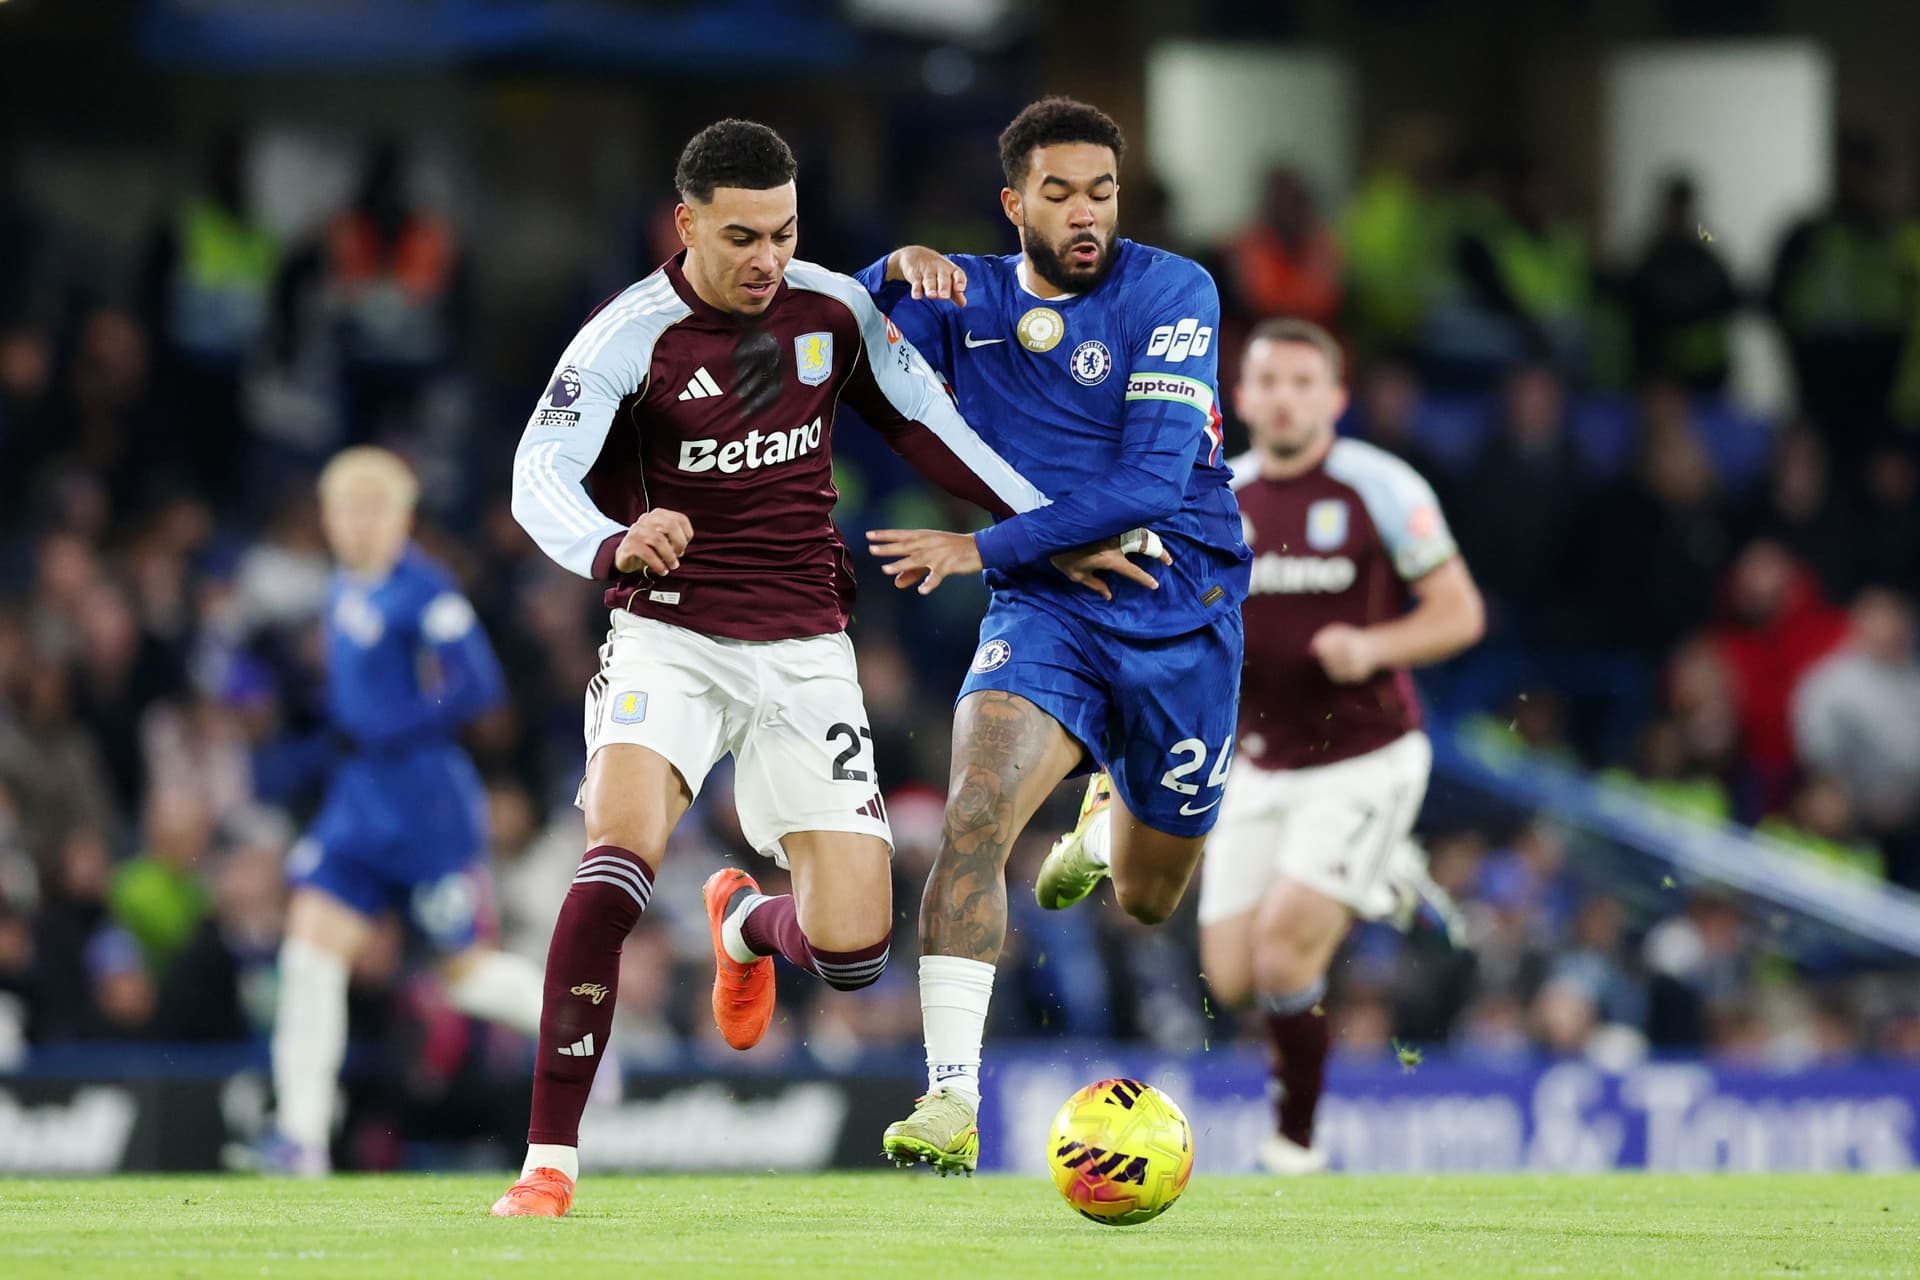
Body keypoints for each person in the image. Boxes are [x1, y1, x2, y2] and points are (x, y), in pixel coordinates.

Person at [492, 119, 1073, 1217]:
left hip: (807, 649)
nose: (768, 257)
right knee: (615, 860)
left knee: (854, 950)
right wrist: (612, 544)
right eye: (744, 235)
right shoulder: (630, 335)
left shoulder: (832, 309)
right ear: (688, 225)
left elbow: (934, 431)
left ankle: (744, 924)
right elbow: (540, 473)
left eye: (787, 231)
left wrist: (1057, 523)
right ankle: (549, 1161)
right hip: (671, 636)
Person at [854, 97, 1252, 1172]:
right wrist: (891, 268)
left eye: (1104, 192)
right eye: (1063, 193)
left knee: (1150, 895)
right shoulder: (966, 296)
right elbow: (827, 334)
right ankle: (947, 1098)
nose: (1087, 214)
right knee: (974, 815)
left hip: (1184, 606)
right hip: (1046, 607)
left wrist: (979, 548)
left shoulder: (1174, 288)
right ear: (1013, 201)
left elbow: (1152, 480)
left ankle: (1109, 791)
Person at [1198, 318, 1483, 1172]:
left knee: (1284, 950)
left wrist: (1375, 648)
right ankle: (1389, 876)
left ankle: (1295, 1144)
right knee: (1232, 978)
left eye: (1302, 383)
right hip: (1258, 761)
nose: (1284, 399)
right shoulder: (1216, 492)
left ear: (1334, 398)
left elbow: (1460, 613)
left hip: (1365, 755)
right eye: (1268, 383)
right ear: (1240, 399)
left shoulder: (1379, 486)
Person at [265, 446, 542, 1176]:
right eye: (343, 511)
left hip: (424, 809)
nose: (355, 525)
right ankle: (302, 1138)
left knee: (465, 975)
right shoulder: (344, 587)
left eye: (370, 511)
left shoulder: (426, 590)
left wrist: (392, 728)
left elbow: (477, 685)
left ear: (400, 519)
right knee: (309, 950)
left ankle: (583, 1030)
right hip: (360, 805)